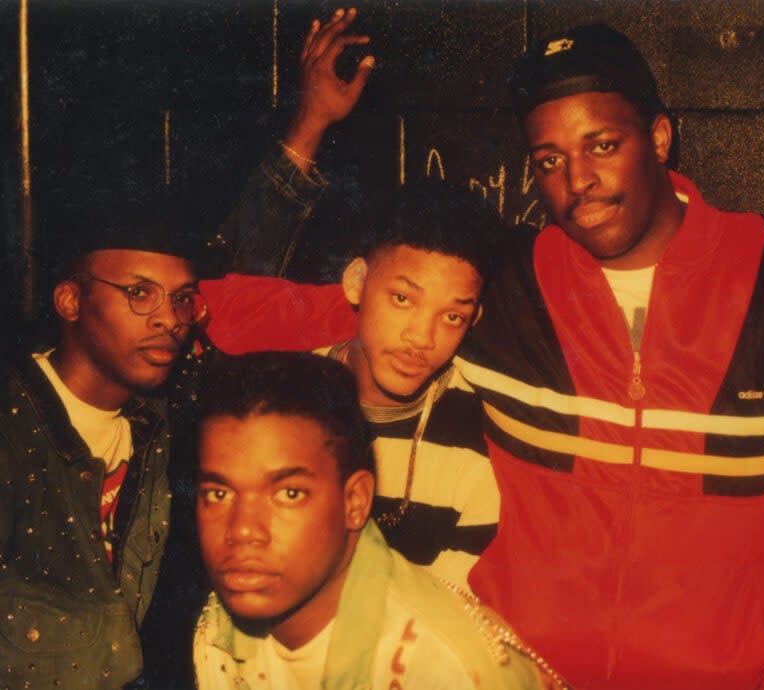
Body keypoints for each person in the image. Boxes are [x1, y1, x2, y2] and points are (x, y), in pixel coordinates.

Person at [198, 15, 764, 689]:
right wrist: (306, 129)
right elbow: (235, 312)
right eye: (549, 160)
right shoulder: (499, 289)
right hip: (526, 676)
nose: (577, 182)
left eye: (602, 144)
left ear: (660, 137)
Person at [191, 351, 565, 690]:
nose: (242, 529)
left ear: (355, 501)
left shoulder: (446, 670)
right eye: (218, 494)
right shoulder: (217, 632)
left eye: (289, 494)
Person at [204, 178, 503, 588]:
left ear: (473, 321)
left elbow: (455, 616)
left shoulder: (484, 437)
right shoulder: (281, 401)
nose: (421, 337)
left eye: (452, 316)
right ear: (357, 282)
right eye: (402, 299)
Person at [0, 193, 207, 689]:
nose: (169, 319)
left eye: (181, 298)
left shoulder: (154, 421)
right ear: (71, 301)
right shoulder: (13, 428)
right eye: (140, 293)